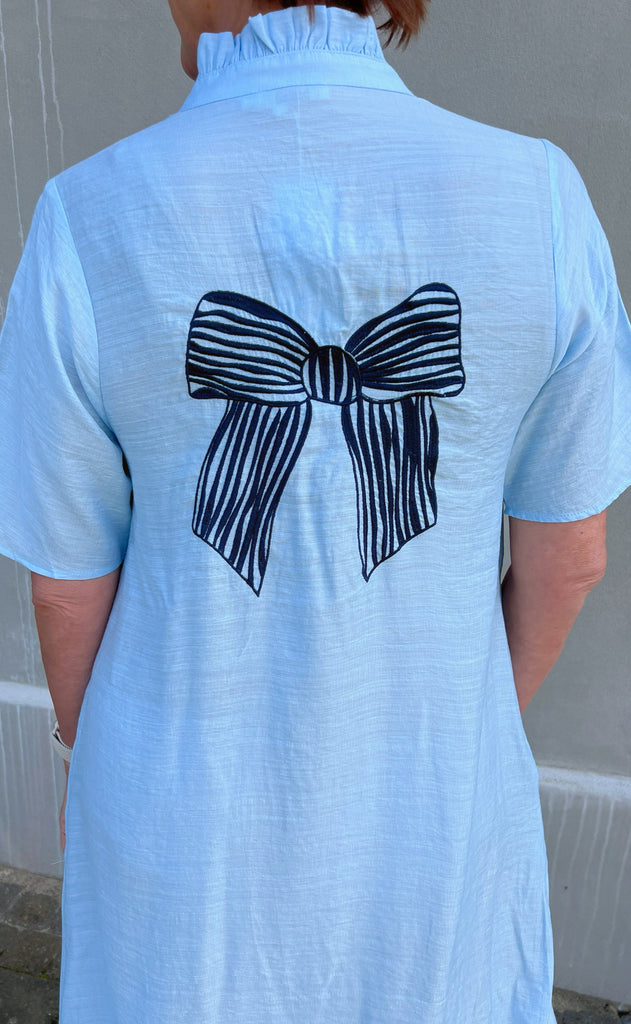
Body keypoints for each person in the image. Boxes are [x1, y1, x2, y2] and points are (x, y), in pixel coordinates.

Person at [0, 0, 629, 1020]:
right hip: (436, 819)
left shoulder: (88, 215)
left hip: (181, 826)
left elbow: (66, 588)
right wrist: (452, 729)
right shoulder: (539, 196)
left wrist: (96, 758)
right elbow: (571, 560)